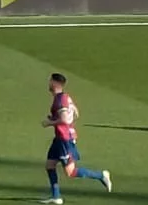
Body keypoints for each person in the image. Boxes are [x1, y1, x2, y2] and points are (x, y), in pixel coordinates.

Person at [40, 73, 112, 204]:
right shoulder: (65, 97)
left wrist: (49, 123)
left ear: (55, 83)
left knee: (71, 172)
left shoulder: (60, 100)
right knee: (50, 165)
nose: (48, 84)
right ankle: (56, 197)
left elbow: (65, 119)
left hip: (64, 139)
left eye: (50, 81)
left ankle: (101, 175)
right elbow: (75, 113)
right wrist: (57, 119)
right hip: (60, 139)